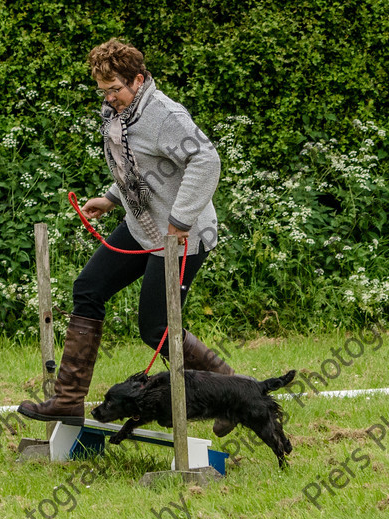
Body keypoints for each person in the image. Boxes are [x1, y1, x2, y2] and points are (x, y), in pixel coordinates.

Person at [18, 38, 237, 437]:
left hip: (183, 236)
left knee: (156, 329)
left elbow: (206, 159)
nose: (109, 97)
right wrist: (111, 197)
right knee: (89, 286)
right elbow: (140, 167)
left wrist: (181, 219)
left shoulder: (165, 114)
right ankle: (67, 398)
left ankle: (230, 390)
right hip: (142, 226)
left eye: (115, 88)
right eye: (102, 90)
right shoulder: (120, 114)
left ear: (138, 79)